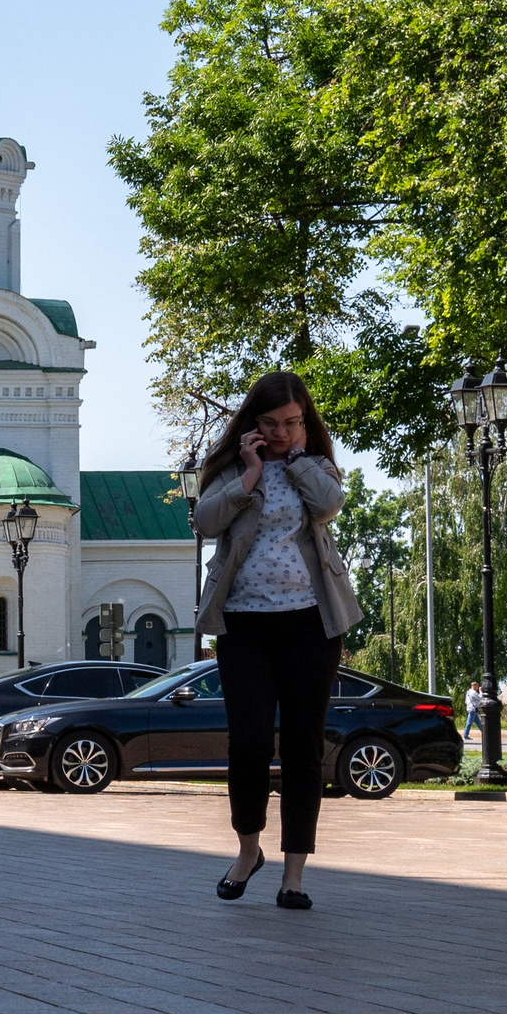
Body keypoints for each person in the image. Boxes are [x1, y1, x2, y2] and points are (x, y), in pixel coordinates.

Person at [192, 370, 360, 911]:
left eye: (292, 422)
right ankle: (248, 851)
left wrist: (299, 460)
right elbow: (205, 522)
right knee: (248, 744)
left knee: (303, 747)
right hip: (244, 625)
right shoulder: (231, 468)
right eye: (270, 422)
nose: (281, 432)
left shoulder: (316, 466)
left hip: (311, 624)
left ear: (305, 423)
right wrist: (250, 473)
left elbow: (328, 505)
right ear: (252, 423)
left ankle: (294, 876)